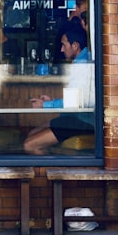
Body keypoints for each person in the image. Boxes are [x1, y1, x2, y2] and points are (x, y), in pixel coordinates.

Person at [23, 24, 95, 155]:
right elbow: (77, 98)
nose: (61, 49)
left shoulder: (83, 66)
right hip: (75, 118)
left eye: (64, 45)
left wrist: (45, 105)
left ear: (75, 46)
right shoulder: (82, 61)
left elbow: (75, 102)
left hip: (82, 122)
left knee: (29, 145)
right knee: (32, 134)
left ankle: (52, 172)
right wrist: (53, 101)